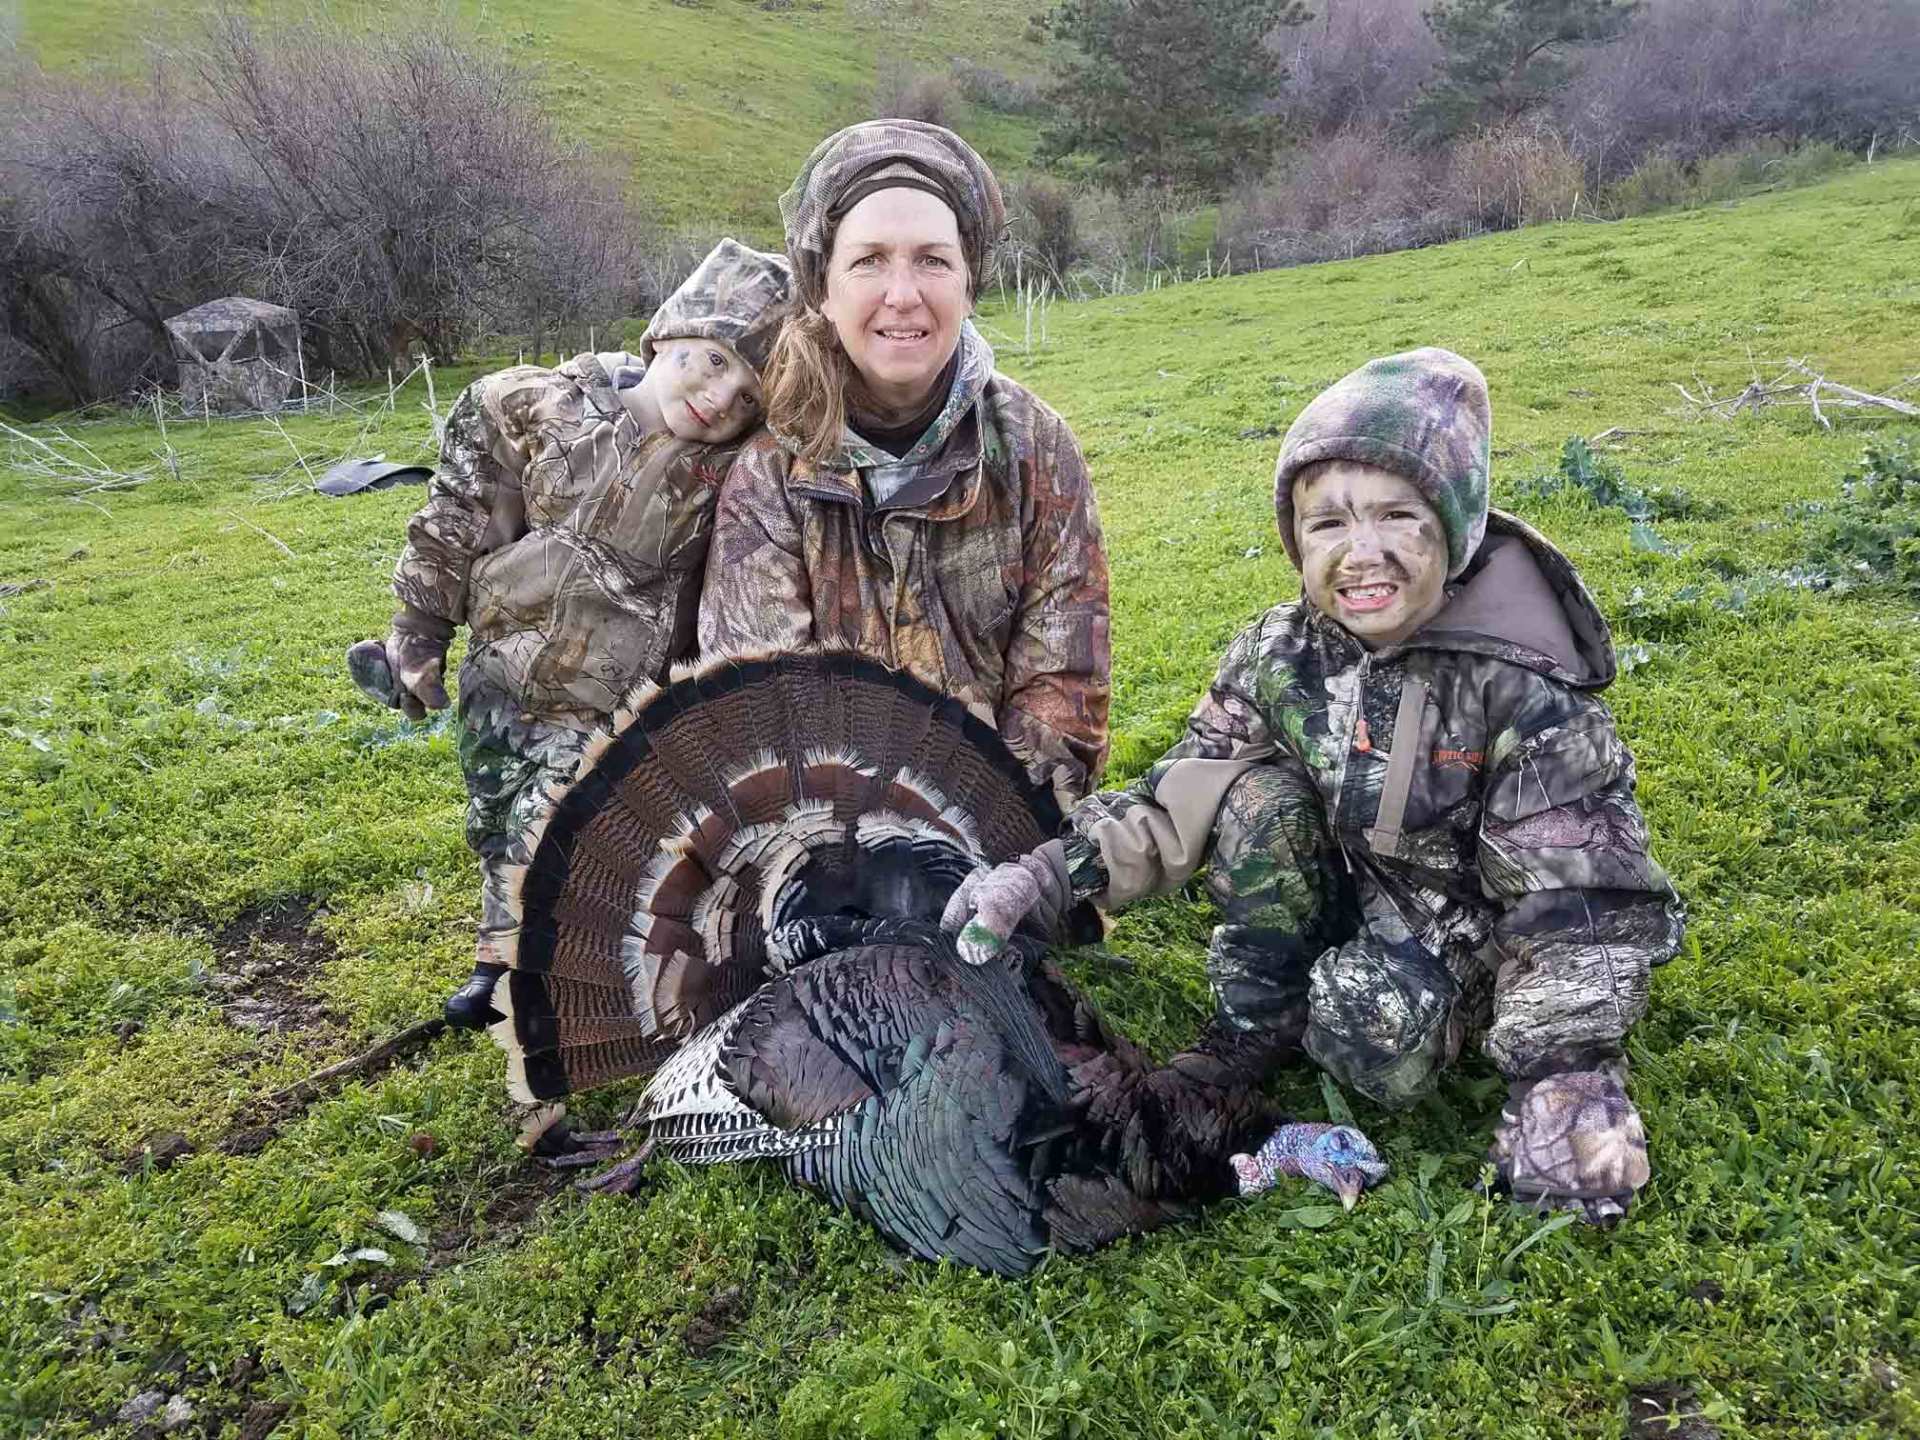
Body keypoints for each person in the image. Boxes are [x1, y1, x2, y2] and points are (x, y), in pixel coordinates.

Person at [943, 348, 1684, 1224]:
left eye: (1397, 516)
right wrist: (1042, 876)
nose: (1360, 554)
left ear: (1454, 527)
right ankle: (1249, 1035)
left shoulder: (1523, 693)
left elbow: (1579, 909)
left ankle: (1401, 1018)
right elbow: (1177, 799)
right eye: (1327, 523)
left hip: (1467, 936)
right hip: (1347, 887)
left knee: (1373, 1030)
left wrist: (1565, 1083)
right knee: (1251, 799)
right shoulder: (1279, 651)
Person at [348, 239, 792, 1028]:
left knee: (556, 827)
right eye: (715, 362)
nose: (722, 399)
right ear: (670, 335)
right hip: (505, 674)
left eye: (749, 396)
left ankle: (528, 979)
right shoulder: (538, 406)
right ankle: (499, 955)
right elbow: (454, 522)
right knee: (498, 818)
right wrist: (418, 631)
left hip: (612, 697)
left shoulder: (729, 475)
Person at [697, 120, 1110, 813]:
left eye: (932, 260)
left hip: (994, 840)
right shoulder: (771, 475)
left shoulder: (1037, 446)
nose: (902, 294)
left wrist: (990, 845)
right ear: (823, 290)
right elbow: (764, 716)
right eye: (869, 261)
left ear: (969, 283)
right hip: (821, 846)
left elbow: (1063, 691)